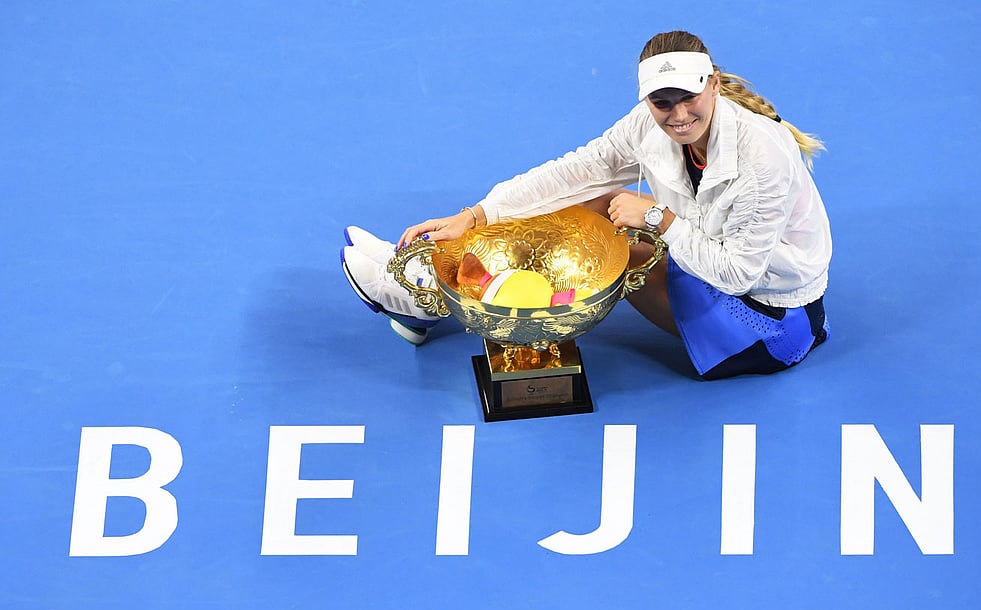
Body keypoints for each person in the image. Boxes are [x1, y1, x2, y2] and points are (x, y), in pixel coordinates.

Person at [342, 30, 832, 379]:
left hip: (769, 322)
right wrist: (474, 216)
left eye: (688, 98)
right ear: (646, 99)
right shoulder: (648, 124)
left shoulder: (762, 159)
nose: (678, 115)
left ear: (714, 84)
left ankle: (437, 298)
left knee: (611, 231)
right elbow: (574, 173)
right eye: (662, 102)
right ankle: (431, 281)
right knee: (589, 200)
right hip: (717, 268)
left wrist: (657, 218)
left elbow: (738, 273)